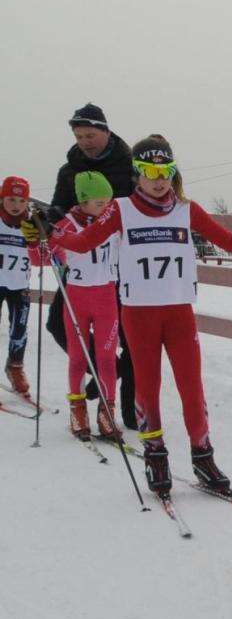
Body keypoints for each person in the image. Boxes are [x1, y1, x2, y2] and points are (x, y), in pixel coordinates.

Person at [50, 134, 232, 498]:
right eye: (150, 172)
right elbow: (84, 243)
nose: (159, 179)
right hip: (139, 314)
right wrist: (51, 233)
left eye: (165, 171)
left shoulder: (186, 208)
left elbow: (228, 241)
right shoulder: (121, 209)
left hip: (179, 312)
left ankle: (203, 455)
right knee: (148, 386)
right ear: (137, 174)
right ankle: (155, 453)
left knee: (192, 387)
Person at [49, 104, 137, 428]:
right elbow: (57, 209)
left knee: (130, 338)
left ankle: (128, 410)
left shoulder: (127, 166)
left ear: (106, 131)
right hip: (80, 270)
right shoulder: (69, 170)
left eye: (90, 135)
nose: (85, 142)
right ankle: (101, 374)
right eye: (79, 136)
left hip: (121, 267)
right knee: (57, 326)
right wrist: (49, 223)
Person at [47, 172, 124, 442]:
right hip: (76, 299)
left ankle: (107, 411)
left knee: (106, 358)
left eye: (108, 202)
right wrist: (36, 235)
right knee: (78, 357)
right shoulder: (66, 224)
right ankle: (77, 410)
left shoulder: (114, 223)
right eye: (99, 203)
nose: (106, 207)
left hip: (106, 298)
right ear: (82, 201)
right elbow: (39, 256)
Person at [0, 176, 42, 398]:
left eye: (21, 200)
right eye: (11, 199)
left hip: (20, 285)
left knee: (19, 328)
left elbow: (43, 257)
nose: (16, 205)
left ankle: (15, 366)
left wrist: (38, 241)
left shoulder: (32, 223)